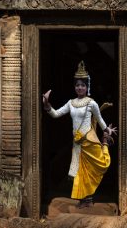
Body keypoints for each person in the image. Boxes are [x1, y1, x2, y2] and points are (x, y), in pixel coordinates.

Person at [42, 61, 117, 208]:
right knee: (80, 171)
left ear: (87, 87)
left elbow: (100, 121)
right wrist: (47, 105)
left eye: (82, 85)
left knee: (100, 165)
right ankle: (85, 199)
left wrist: (107, 131)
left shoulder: (91, 103)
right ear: (74, 87)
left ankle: (105, 145)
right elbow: (56, 114)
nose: (80, 88)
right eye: (77, 85)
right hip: (77, 142)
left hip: (89, 140)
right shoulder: (71, 103)